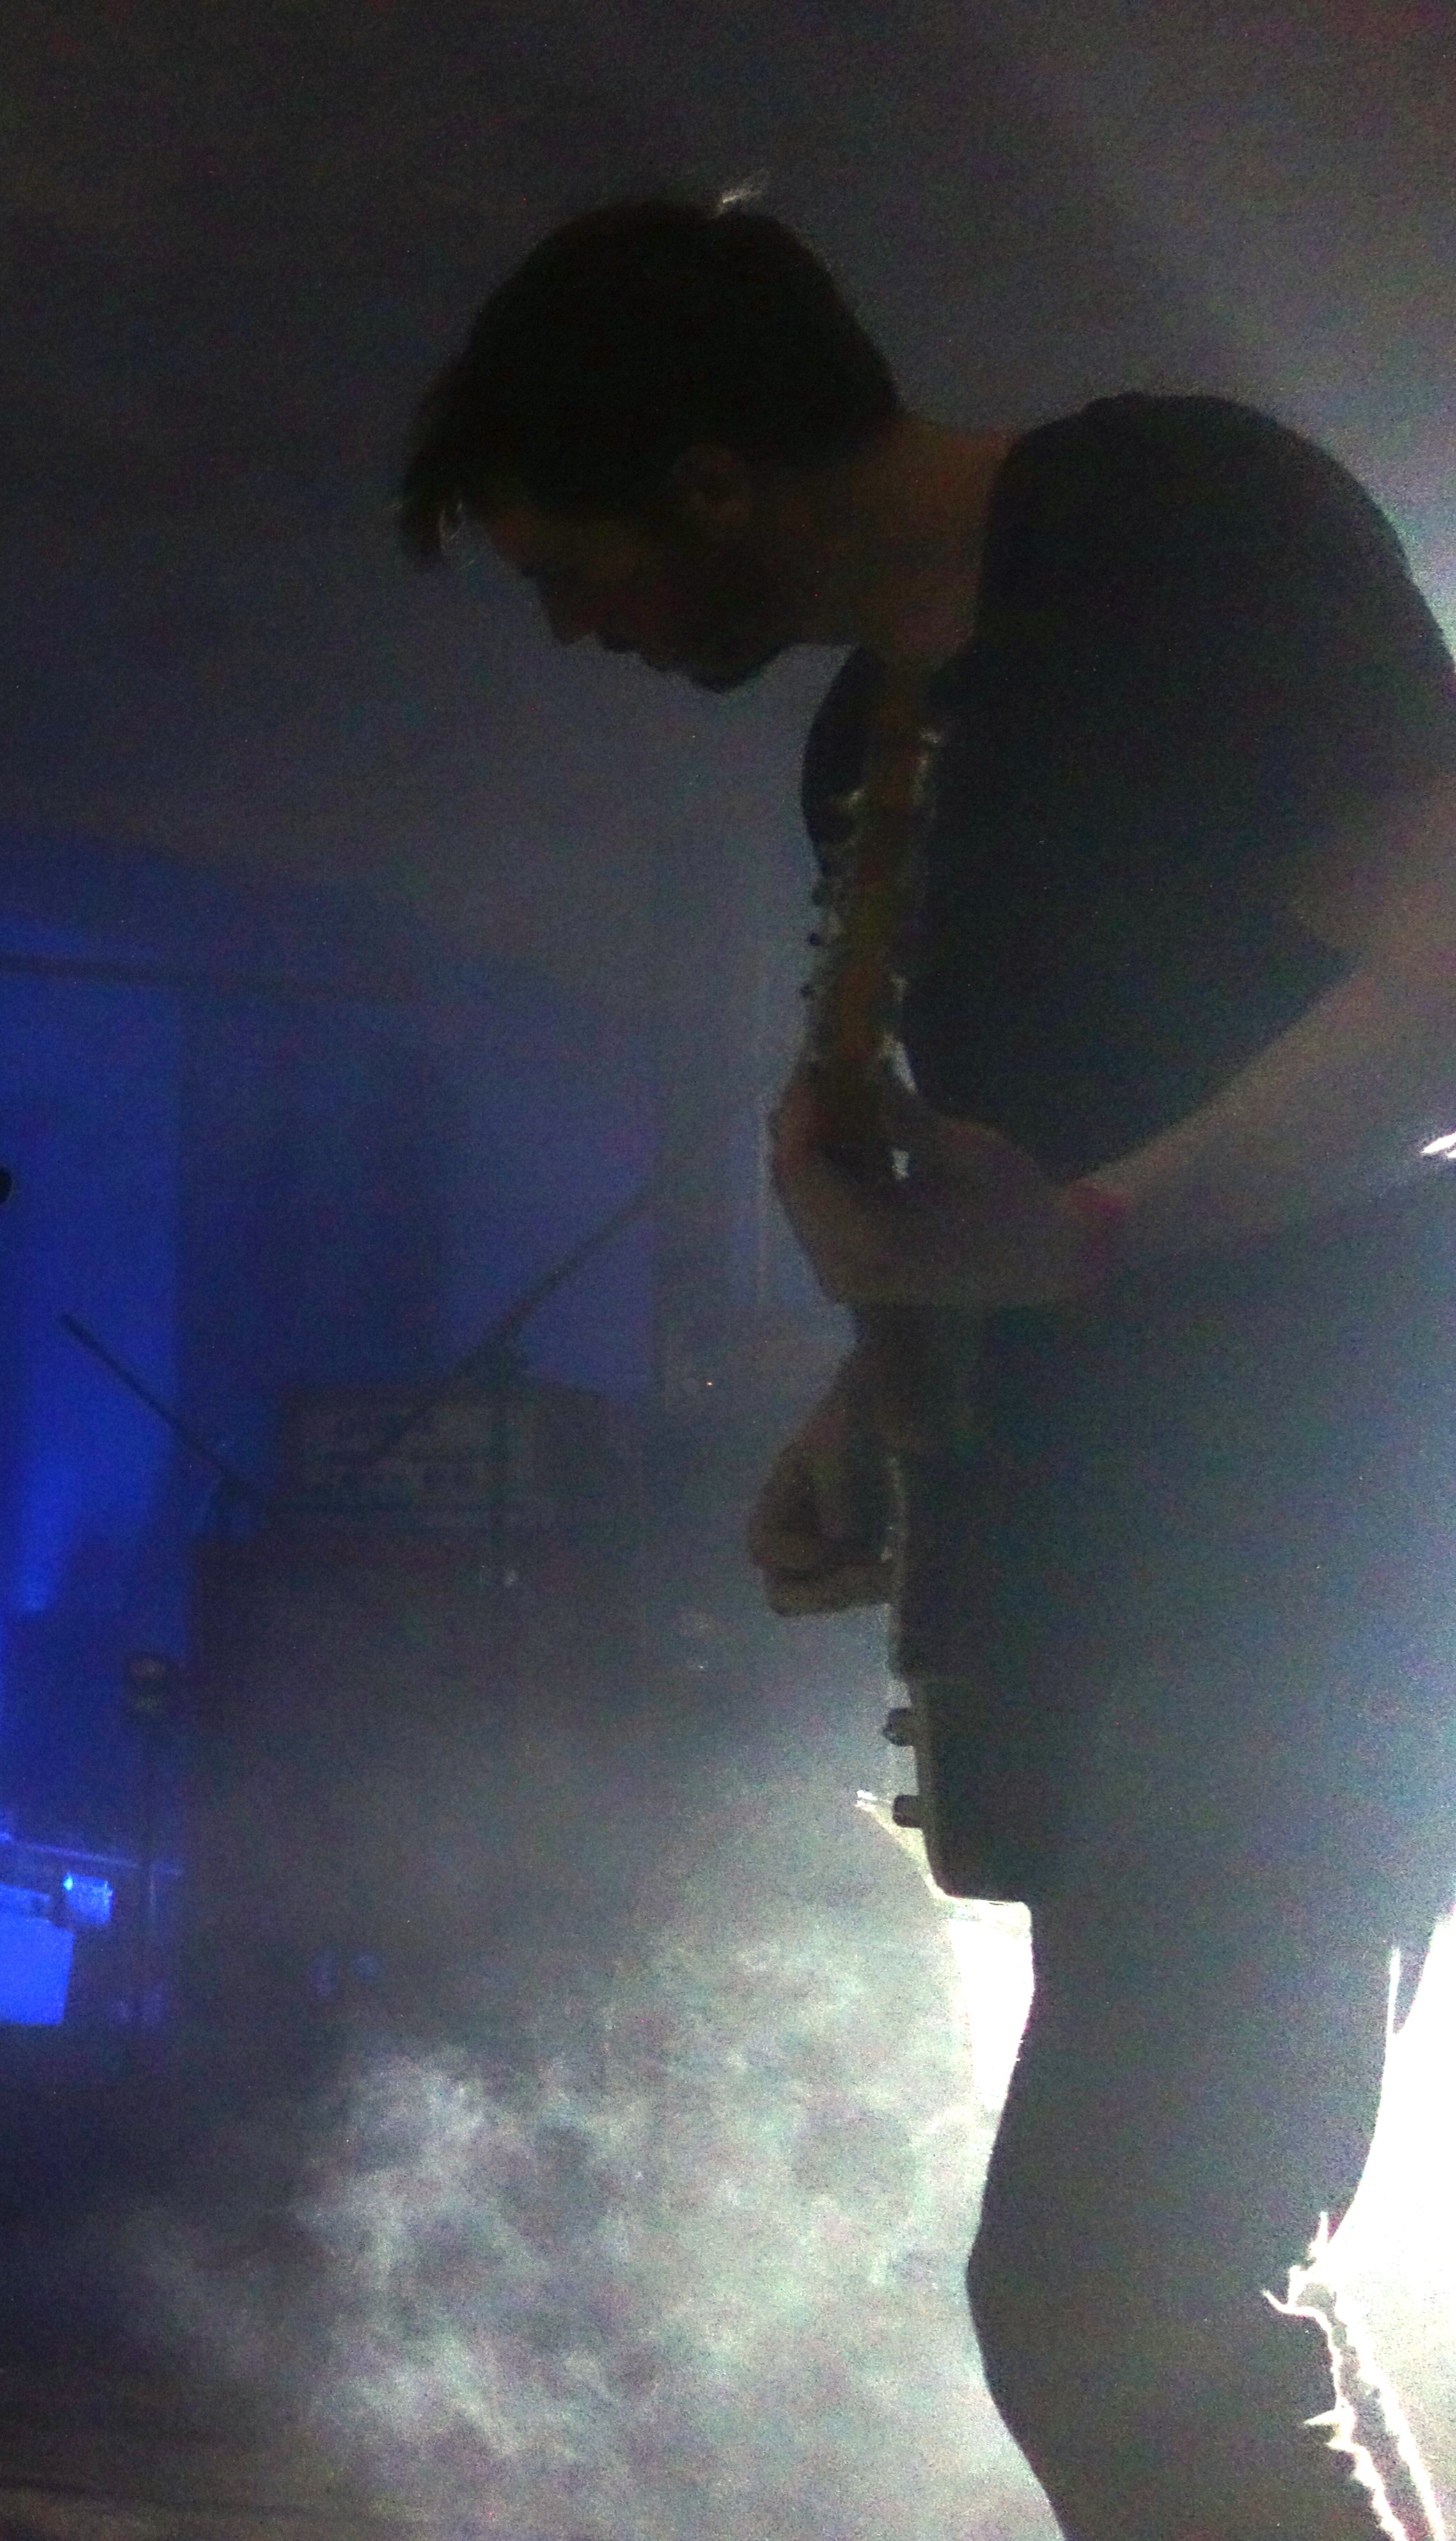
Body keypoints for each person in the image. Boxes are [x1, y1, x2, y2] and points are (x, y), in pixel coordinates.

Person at [403, 198, 1456, 2541]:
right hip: (1148, 1572)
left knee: (1121, 2300)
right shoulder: (865, 744)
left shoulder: (1166, 521)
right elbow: (1031, 1174)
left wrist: (1087, 1238)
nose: (576, 629)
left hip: (1336, 1542)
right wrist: (877, 1396)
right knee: (1190, 2302)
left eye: (572, 565)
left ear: (709, 479)